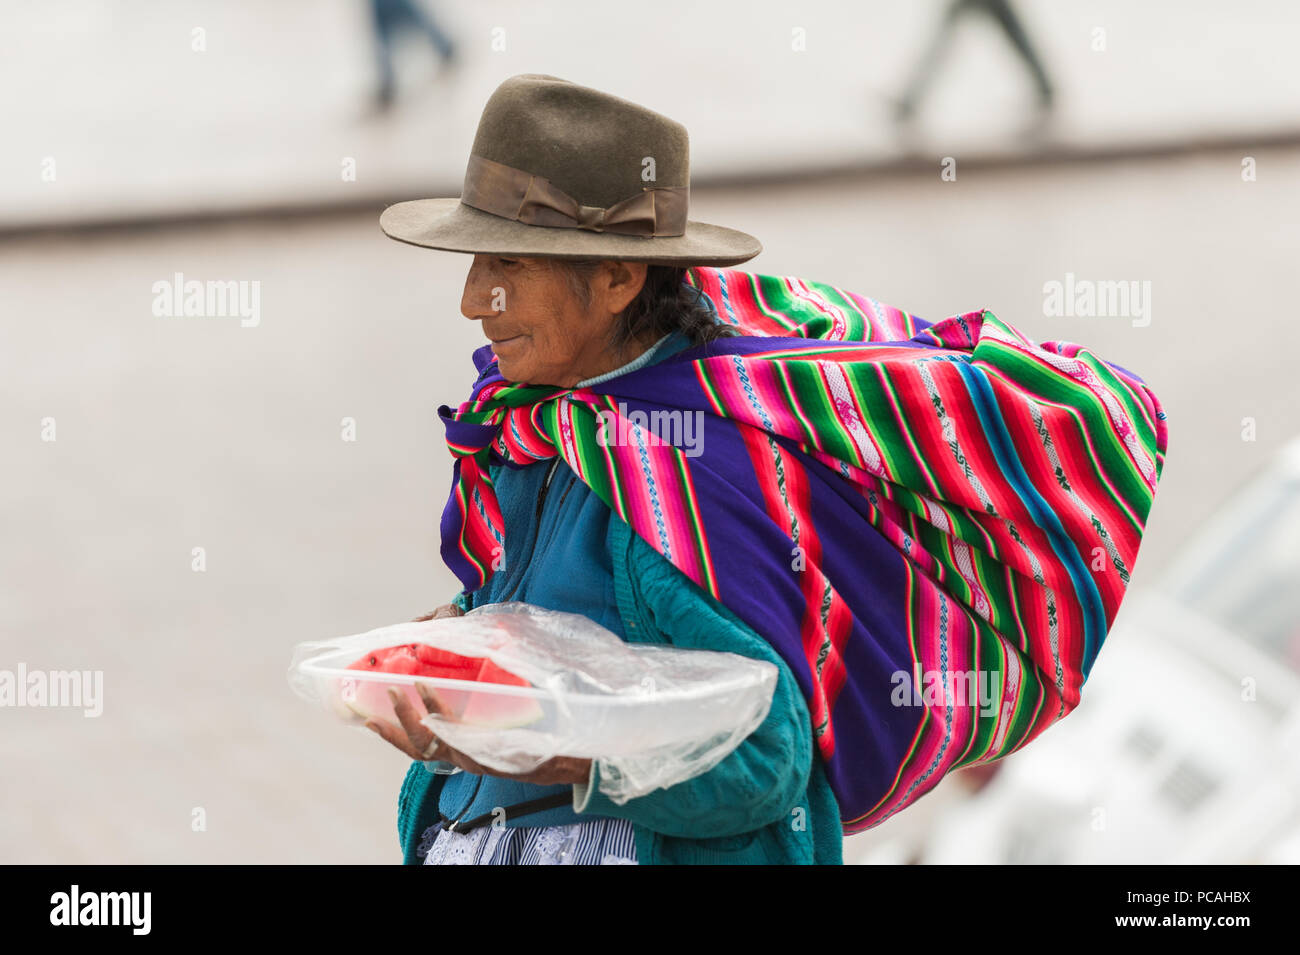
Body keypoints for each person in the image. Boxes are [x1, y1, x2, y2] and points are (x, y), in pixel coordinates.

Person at [366, 74, 1168, 865]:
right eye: (476, 263)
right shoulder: (539, 426)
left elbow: (762, 764)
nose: (476, 300)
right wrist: (470, 636)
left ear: (617, 277)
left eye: (510, 265)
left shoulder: (681, 479)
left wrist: (528, 741)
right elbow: (570, 626)